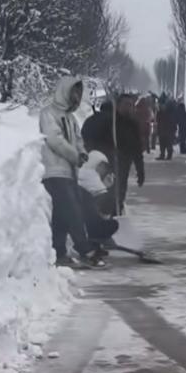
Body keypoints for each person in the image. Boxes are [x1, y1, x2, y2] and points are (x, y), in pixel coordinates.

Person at [39, 75, 105, 269]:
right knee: (74, 210)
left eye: (79, 91)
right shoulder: (48, 113)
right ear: (64, 91)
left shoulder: (71, 118)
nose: (76, 95)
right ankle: (85, 249)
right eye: (73, 91)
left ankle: (59, 251)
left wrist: (82, 152)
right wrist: (75, 156)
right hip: (53, 171)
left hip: (68, 173)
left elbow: (78, 140)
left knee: (62, 214)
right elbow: (54, 140)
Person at [81, 93, 145, 215]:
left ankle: (114, 214)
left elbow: (137, 149)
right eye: (126, 104)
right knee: (105, 192)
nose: (129, 108)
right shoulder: (109, 122)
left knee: (119, 194)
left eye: (131, 105)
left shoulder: (132, 125)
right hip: (105, 164)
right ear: (118, 106)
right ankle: (102, 216)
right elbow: (90, 139)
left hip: (123, 165)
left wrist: (140, 170)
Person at [156, 95, 177, 161]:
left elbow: (173, 120)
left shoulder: (170, 112)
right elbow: (158, 120)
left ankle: (169, 155)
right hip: (163, 129)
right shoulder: (160, 111)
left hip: (169, 129)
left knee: (168, 142)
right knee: (162, 142)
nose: (160, 106)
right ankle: (162, 154)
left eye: (161, 105)